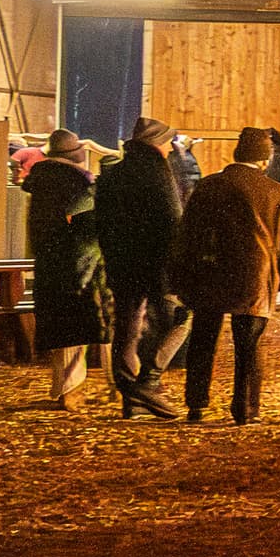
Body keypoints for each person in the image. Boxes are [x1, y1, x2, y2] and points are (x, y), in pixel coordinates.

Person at [167, 125, 280, 426]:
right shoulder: (278, 193)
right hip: (256, 274)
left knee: (203, 338)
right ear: (264, 160)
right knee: (249, 346)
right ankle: (246, 409)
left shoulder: (209, 185)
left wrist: (182, 275)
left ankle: (196, 404)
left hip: (209, 270)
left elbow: (187, 234)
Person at [94, 117, 186, 419]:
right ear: (157, 145)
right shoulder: (158, 172)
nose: (171, 148)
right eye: (167, 143)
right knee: (177, 321)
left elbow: (102, 223)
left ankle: (131, 398)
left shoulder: (112, 173)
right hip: (156, 262)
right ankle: (145, 383)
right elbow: (172, 218)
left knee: (128, 327)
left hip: (122, 263)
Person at [23, 134, 109, 409]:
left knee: (61, 330)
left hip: (49, 262)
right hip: (77, 264)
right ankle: (72, 391)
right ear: (73, 154)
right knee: (77, 327)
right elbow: (87, 227)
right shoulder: (76, 184)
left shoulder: (41, 182)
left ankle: (61, 388)